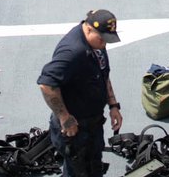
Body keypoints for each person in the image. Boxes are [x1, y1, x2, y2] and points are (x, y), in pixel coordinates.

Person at [37, 9, 124, 177]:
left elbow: (103, 73)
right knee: (78, 171)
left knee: (93, 167)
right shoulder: (73, 52)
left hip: (92, 124)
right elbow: (47, 84)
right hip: (76, 130)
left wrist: (113, 105)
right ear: (89, 28)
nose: (104, 44)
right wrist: (65, 118)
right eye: (102, 39)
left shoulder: (95, 42)